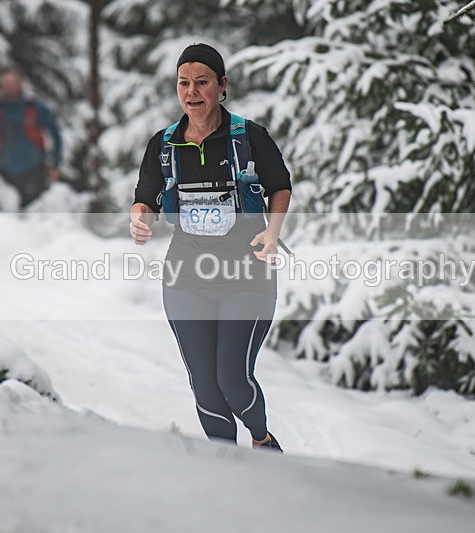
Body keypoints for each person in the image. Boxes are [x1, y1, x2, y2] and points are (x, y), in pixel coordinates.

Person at [130, 43, 292, 452]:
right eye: (184, 84)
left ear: (222, 86)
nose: (192, 92)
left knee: (233, 380)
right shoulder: (164, 145)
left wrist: (272, 232)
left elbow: (280, 187)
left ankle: (262, 441)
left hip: (247, 274)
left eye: (202, 83)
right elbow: (145, 194)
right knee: (204, 386)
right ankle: (226, 469)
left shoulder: (249, 138)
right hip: (187, 276)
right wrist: (140, 217)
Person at [0, 68, 63, 207]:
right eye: (6, 85)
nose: (10, 88)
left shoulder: (36, 107)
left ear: (21, 85)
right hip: (3, 174)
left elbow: (55, 134)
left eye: (13, 84)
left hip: (35, 173)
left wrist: (55, 164)